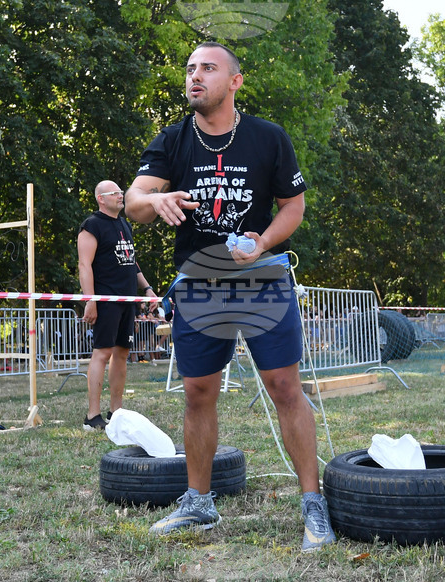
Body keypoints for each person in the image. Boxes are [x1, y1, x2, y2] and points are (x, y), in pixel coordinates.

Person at [124, 42, 335, 552]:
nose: (195, 76)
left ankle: (313, 505)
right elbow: (134, 203)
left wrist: (262, 241)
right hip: (197, 283)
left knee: (285, 387)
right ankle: (198, 502)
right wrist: (156, 198)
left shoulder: (268, 138)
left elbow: (293, 205)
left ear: (235, 81)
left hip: (261, 276)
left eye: (208, 68)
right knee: (197, 392)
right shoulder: (173, 140)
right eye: (191, 69)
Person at [78, 179, 157, 431]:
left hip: (127, 299)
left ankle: (117, 412)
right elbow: (84, 265)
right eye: (115, 193)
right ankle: (92, 416)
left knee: (122, 353)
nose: (121, 196)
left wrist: (147, 288)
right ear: (101, 198)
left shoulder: (124, 224)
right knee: (102, 352)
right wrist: (90, 299)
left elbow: (131, 262)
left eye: (121, 192)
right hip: (106, 299)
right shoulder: (91, 225)